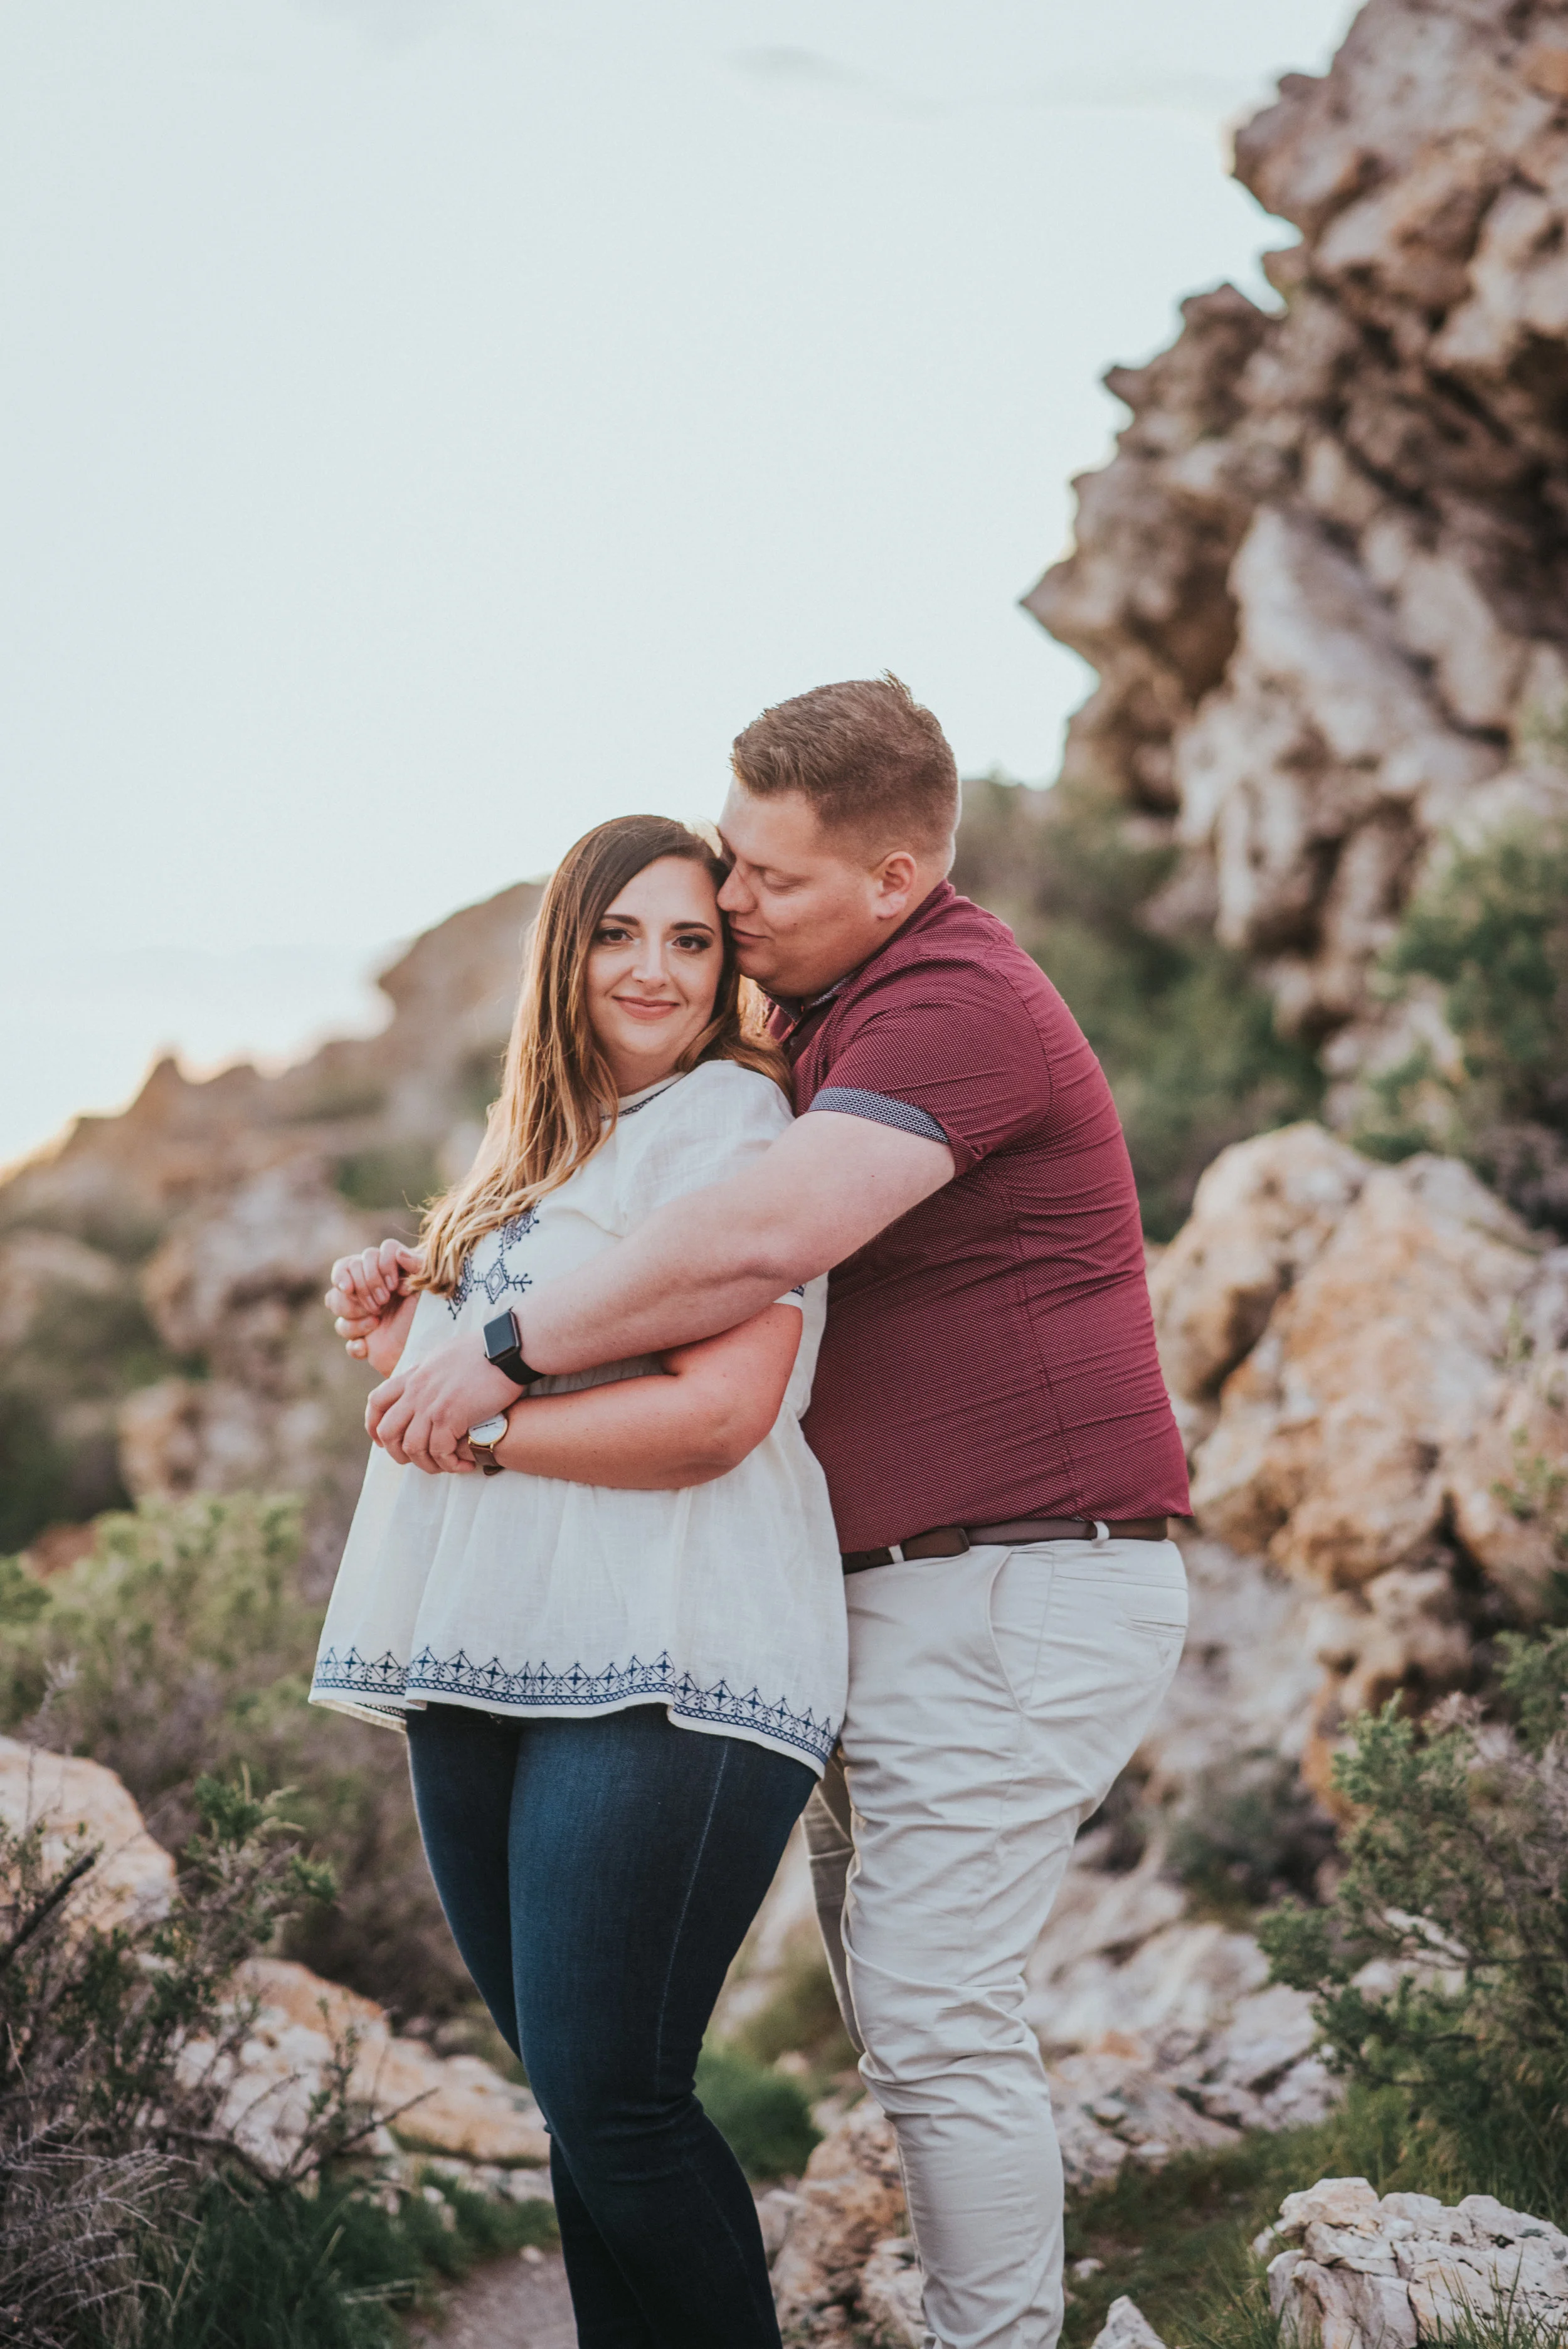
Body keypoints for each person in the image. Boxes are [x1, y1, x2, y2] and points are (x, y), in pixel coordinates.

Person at [335, 676, 1193, 2349]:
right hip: (889, 1592)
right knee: (832, 2035)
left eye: (759, 887)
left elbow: (749, 1247)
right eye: (721, 870)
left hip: (1018, 1581)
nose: (725, 916)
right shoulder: (806, 1024)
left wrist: (494, 1364)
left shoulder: (948, 1006)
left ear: (890, 882)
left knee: (930, 2019)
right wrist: (434, 1322)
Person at [313, 813, 846, 2349]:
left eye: (692, 939)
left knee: (617, 2102)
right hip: (487, 1655)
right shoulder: (528, 1157)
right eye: (620, 933)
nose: (655, 970)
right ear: (568, 948)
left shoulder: (734, 1128)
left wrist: (483, 1432)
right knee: (576, 2107)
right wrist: (406, 1338)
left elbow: (715, 1417)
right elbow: (489, 1385)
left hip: (671, 1661)